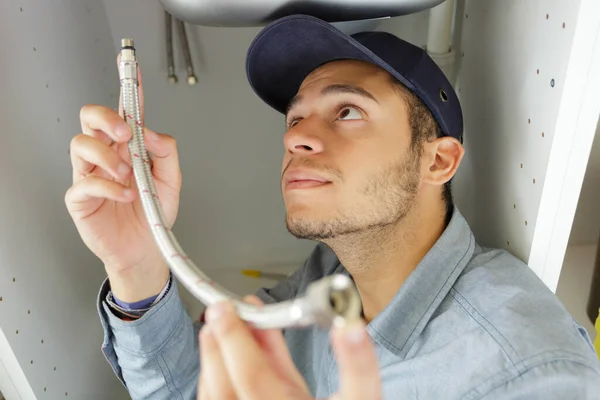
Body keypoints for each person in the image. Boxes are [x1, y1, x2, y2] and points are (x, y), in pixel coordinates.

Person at [65, 14, 600, 400]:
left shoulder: (526, 371)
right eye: (295, 119)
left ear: (437, 160)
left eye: (347, 111)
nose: (297, 139)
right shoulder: (327, 278)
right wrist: (135, 265)